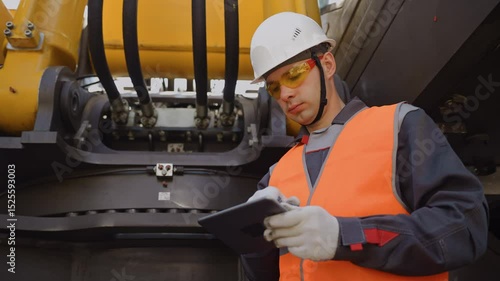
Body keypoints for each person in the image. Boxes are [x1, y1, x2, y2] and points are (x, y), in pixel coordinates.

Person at [241, 12, 489, 281]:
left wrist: (345, 236)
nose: (285, 94)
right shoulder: (276, 176)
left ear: (327, 65)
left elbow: (463, 228)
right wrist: (253, 238)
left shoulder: (399, 127)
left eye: (294, 75)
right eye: (274, 87)